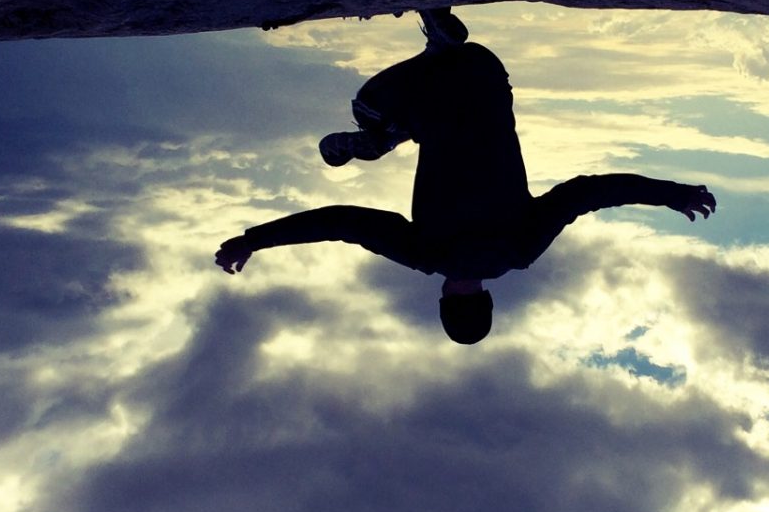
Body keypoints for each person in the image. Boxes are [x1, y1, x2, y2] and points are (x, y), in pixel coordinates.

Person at [213, 25, 716, 344]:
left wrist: (672, 194)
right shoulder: (427, 252)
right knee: (366, 109)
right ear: (444, 300)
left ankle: (435, 63)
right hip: (428, 94)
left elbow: (589, 192)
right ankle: (390, 127)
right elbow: (343, 223)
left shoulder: (521, 249)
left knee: (449, 89)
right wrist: (252, 240)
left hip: (487, 74)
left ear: (488, 299)